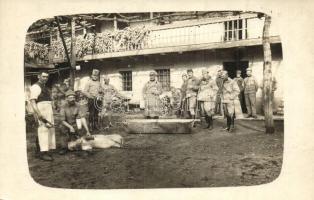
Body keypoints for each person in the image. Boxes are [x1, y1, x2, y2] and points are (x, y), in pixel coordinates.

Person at [29, 70, 56, 161]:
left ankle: (43, 150)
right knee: (43, 130)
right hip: (41, 109)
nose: (45, 78)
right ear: (38, 76)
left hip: (48, 109)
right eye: (43, 76)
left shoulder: (46, 87)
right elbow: (32, 101)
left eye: (46, 77)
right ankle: (42, 153)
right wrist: (39, 114)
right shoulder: (35, 87)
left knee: (49, 130)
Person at [58, 90, 91, 155]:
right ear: (66, 98)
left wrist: (87, 130)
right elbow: (62, 120)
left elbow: (82, 118)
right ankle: (64, 148)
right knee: (61, 128)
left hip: (74, 124)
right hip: (66, 124)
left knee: (82, 127)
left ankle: (84, 146)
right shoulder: (63, 106)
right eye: (70, 98)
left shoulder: (78, 105)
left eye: (73, 97)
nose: (72, 99)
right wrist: (70, 127)